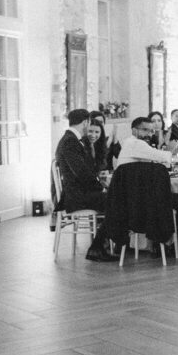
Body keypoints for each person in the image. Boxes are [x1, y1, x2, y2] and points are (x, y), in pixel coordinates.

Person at [113, 116, 178, 257]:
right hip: (145, 201)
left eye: (151, 131)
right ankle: (177, 244)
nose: (149, 134)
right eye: (145, 130)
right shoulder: (137, 144)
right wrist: (176, 150)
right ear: (134, 130)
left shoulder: (128, 144)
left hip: (129, 200)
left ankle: (156, 243)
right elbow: (163, 157)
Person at [54, 109, 118, 262]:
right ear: (85, 122)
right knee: (117, 201)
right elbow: (81, 174)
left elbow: (85, 172)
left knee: (115, 198)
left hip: (78, 193)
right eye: (89, 123)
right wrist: (100, 187)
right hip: (76, 196)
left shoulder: (70, 139)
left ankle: (105, 244)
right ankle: (98, 247)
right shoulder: (70, 141)